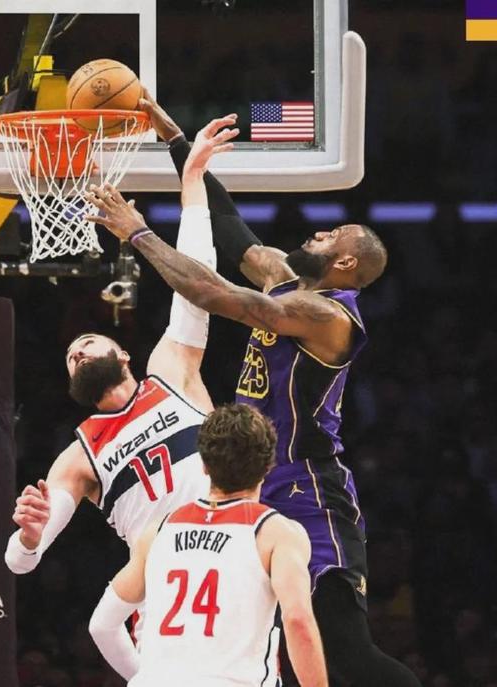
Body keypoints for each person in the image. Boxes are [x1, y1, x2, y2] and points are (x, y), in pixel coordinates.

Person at [86, 104, 422, 686]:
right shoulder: (284, 277)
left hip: (308, 488)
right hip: (251, 484)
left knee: (346, 652)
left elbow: (218, 296)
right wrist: (177, 142)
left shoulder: (329, 316)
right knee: (269, 643)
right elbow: (231, 229)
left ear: (346, 261)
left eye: (330, 235)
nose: (316, 232)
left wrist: (137, 233)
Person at [3, 117, 238, 597]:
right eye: (72, 355)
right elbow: (21, 562)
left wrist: (192, 179)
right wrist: (27, 536)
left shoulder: (170, 374)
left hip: (233, 559)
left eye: (87, 343)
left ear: (125, 355)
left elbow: (197, 283)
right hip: (163, 590)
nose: (77, 351)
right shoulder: (80, 454)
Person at [88, 403, 328, 687]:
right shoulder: (277, 533)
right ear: (267, 467)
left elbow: (101, 625)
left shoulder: (158, 532)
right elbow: (298, 620)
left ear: (203, 464)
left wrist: (143, 676)